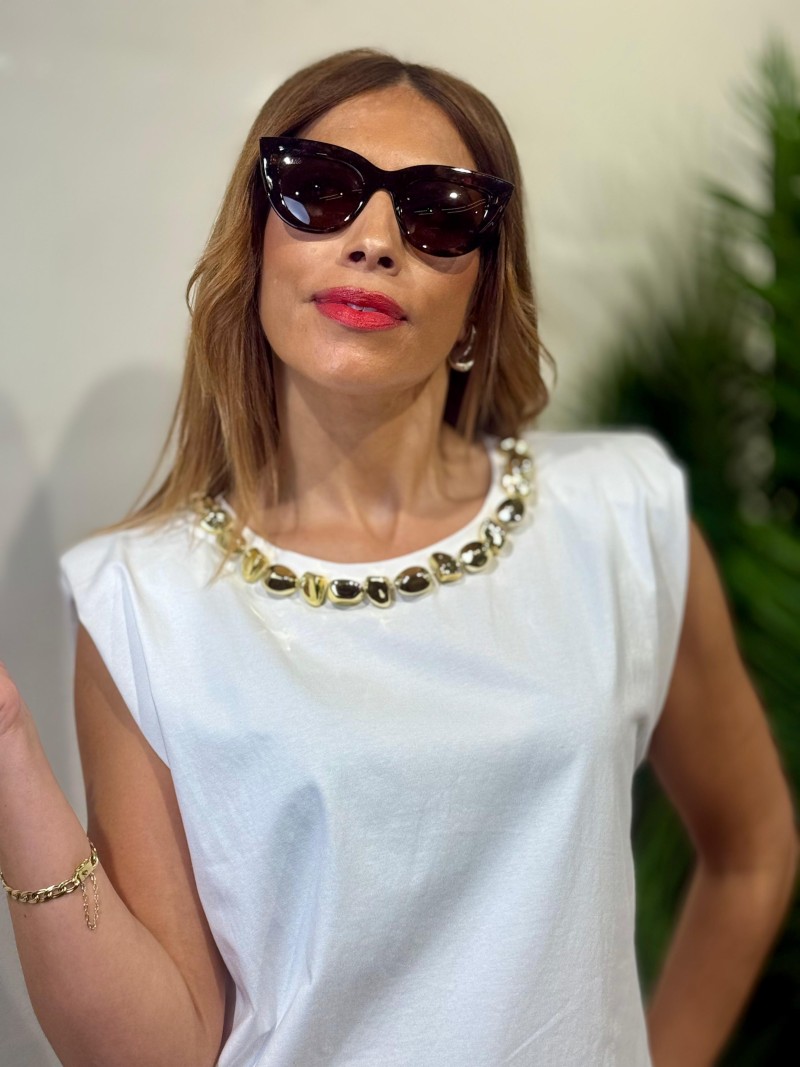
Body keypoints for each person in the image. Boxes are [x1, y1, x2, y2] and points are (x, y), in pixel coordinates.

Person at [1, 47, 797, 1067]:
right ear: (256, 247)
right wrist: (9, 745)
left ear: (482, 294)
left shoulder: (620, 520)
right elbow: (161, 1050)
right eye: (320, 191)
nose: (374, 239)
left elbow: (752, 849)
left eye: (438, 213)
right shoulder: (140, 601)